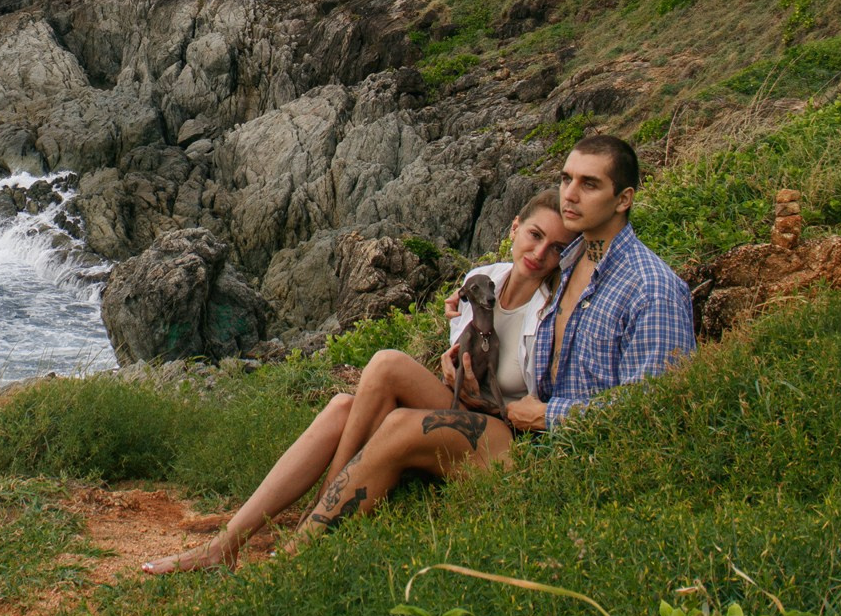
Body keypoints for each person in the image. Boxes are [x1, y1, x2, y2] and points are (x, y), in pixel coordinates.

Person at [143, 134, 695, 573]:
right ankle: (230, 540)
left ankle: (288, 568)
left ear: (623, 199)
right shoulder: (572, 261)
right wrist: (461, 327)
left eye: (590, 185)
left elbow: (659, 412)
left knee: (404, 423)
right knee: (344, 404)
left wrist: (551, 414)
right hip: (514, 424)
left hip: (556, 458)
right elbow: (505, 291)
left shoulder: (650, 287)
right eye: (567, 179)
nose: (571, 195)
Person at [142, 188, 573, 574]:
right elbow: (465, 355)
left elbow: (537, 399)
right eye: (535, 235)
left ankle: (318, 514)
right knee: (349, 398)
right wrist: (449, 362)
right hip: (464, 407)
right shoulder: (483, 279)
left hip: (503, 433)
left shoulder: (552, 310)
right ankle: (225, 545)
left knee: (383, 374)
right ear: (515, 228)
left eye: (556, 247)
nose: (540, 252)